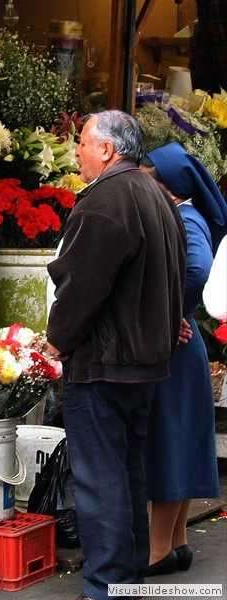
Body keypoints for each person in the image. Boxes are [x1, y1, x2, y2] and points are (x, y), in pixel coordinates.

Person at [46, 111, 187, 600]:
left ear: (107, 150)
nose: (78, 152)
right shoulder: (155, 195)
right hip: (144, 363)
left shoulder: (106, 199)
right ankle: (126, 580)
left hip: (105, 362)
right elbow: (176, 271)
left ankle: (108, 585)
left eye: (83, 143)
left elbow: (83, 287)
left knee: (102, 479)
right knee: (127, 473)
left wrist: (57, 338)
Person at [141, 142, 226, 576]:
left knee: (169, 444)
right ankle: (176, 543)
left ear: (168, 186)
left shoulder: (183, 217)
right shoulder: (185, 214)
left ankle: (156, 552)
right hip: (183, 348)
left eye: (147, 176)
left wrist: (171, 310)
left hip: (174, 347)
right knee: (183, 442)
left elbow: (197, 269)